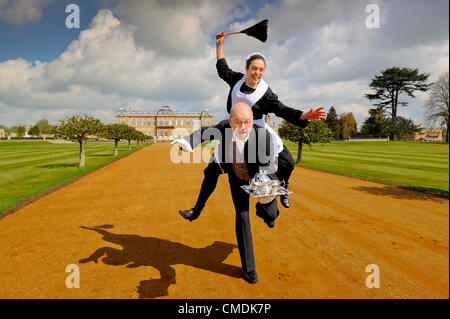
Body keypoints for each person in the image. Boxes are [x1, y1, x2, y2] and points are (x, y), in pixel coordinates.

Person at [176, 31, 326, 222]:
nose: (257, 73)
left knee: (287, 161)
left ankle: (281, 190)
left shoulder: (266, 92)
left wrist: (303, 115)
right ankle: (196, 210)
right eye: (254, 68)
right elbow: (223, 69)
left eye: (261, 70)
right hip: (234, 128)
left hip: (257, 130)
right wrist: (219, 45)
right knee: (212, 170)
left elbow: (281, 109)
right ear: (246, 69)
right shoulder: (236, 80)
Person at [175, 102, 281, 284]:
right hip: (237, 178)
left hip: (258, 176)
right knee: (242, 215)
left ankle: (268, 214)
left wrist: (263, 186)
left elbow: (267, 164)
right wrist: (188, 142)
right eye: (237, 122)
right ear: (230, 122)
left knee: (270, 212)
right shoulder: (223, 128)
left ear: (252, 120)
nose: (243, 127)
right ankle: (249, 269)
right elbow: (203, 133)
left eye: (247, 122)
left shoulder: (262, 135)